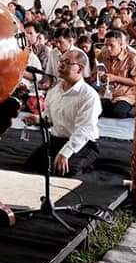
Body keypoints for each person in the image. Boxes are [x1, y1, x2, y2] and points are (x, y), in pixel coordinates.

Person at [23, 49, 101, 177]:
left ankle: (88, 163)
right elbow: (49, 118)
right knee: (30, 166)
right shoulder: (54, 90)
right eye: (60, 61)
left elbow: (84, 130)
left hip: (83, 143)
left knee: (65, 171)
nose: (60, 65)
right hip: (56, 140)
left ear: (80, 69)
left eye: (67, 62)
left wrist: (65, 153)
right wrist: (37, 119)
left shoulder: (89, 95)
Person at [98, 30, 136, 118]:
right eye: (106, 45)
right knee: (96, 109)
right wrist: (102, 76)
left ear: (121, 45)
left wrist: (115, 78)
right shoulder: (103, 55)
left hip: (125, 95)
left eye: (112, 45)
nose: (108, 48)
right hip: (107, 94)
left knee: (118, 112)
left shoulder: (132, 57)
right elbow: (98, 74)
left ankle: (134, 108)